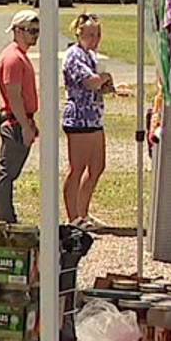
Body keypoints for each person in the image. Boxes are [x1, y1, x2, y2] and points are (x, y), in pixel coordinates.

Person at [61, 12, 114, 229]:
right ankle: (73, 217)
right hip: (79, 119)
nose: (95, 39)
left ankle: (83, 213)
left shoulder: (92, 56)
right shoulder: (74, 56)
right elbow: (90, 82)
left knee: (97, 166)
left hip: (94, 118)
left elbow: (99, 85)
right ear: (79, 33)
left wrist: (109, 86)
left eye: (98, 34)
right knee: (77, 168)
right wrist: (105, 77)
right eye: (91, 34)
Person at [0, 9, 41, 224]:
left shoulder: (18, 55)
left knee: (7, 171)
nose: (34, 35)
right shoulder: (13, 58)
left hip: (19, 119)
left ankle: (3, 214)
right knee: (7, 172)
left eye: (37, 31)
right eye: (30, 31)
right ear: (17, 30)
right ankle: (5, 216)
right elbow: (14, 95)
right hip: (14, 121)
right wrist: (25, 125)